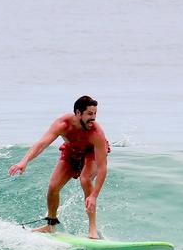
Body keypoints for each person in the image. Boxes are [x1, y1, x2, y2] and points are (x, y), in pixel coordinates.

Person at [8, 96, 110, 239]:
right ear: (78, 113)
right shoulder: (63, 124)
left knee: (86, 179)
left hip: (90, 153)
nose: (93, 118)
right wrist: (24, 161)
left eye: (95, 114)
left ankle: (92, 229)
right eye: (89, 114)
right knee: (53, 187)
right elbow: (42, 143)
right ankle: (51, 225)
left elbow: (102, 167)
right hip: (72, 151)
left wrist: (94, 195)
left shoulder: (96, 134)